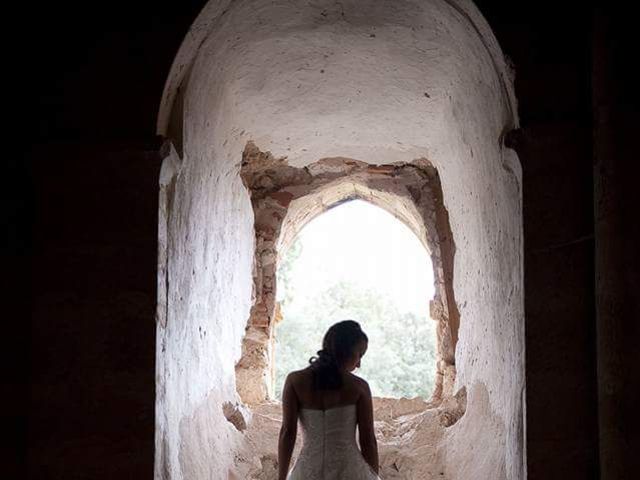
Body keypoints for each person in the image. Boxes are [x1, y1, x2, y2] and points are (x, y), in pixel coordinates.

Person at [277, 320, 380, 480]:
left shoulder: (294, 381)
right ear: (346, 351)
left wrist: (281, 478)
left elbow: (287, 433)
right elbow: (368, 442)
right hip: (350, 472)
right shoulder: (359, 387)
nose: (359, 363)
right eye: (359, 354)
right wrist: (374, 477)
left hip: (306, 472)